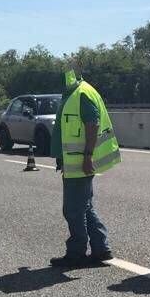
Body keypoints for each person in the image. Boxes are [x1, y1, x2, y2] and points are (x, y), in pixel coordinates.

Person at [48, 70, 120, 268]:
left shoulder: (81, 94)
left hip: (80, 163)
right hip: (75, 162)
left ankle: (76, 253)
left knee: (73, 210)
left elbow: (92, 123)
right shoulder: (76, 93)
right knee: (85, 207)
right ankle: (101, 248)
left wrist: (88, 156)